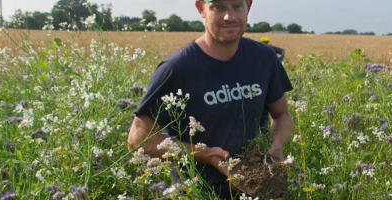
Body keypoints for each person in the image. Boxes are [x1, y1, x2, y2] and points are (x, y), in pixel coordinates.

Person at [126, 0, 294, 197]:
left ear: (248, 6)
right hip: (200, 192)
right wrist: (204, 155)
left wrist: (276, 144)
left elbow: (282, 115)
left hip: (261, 189)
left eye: (237, 6)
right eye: (218, 7)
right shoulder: (176, 69)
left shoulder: (264, 58)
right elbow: (138, 139)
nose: (229, 17)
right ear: (201, 9)